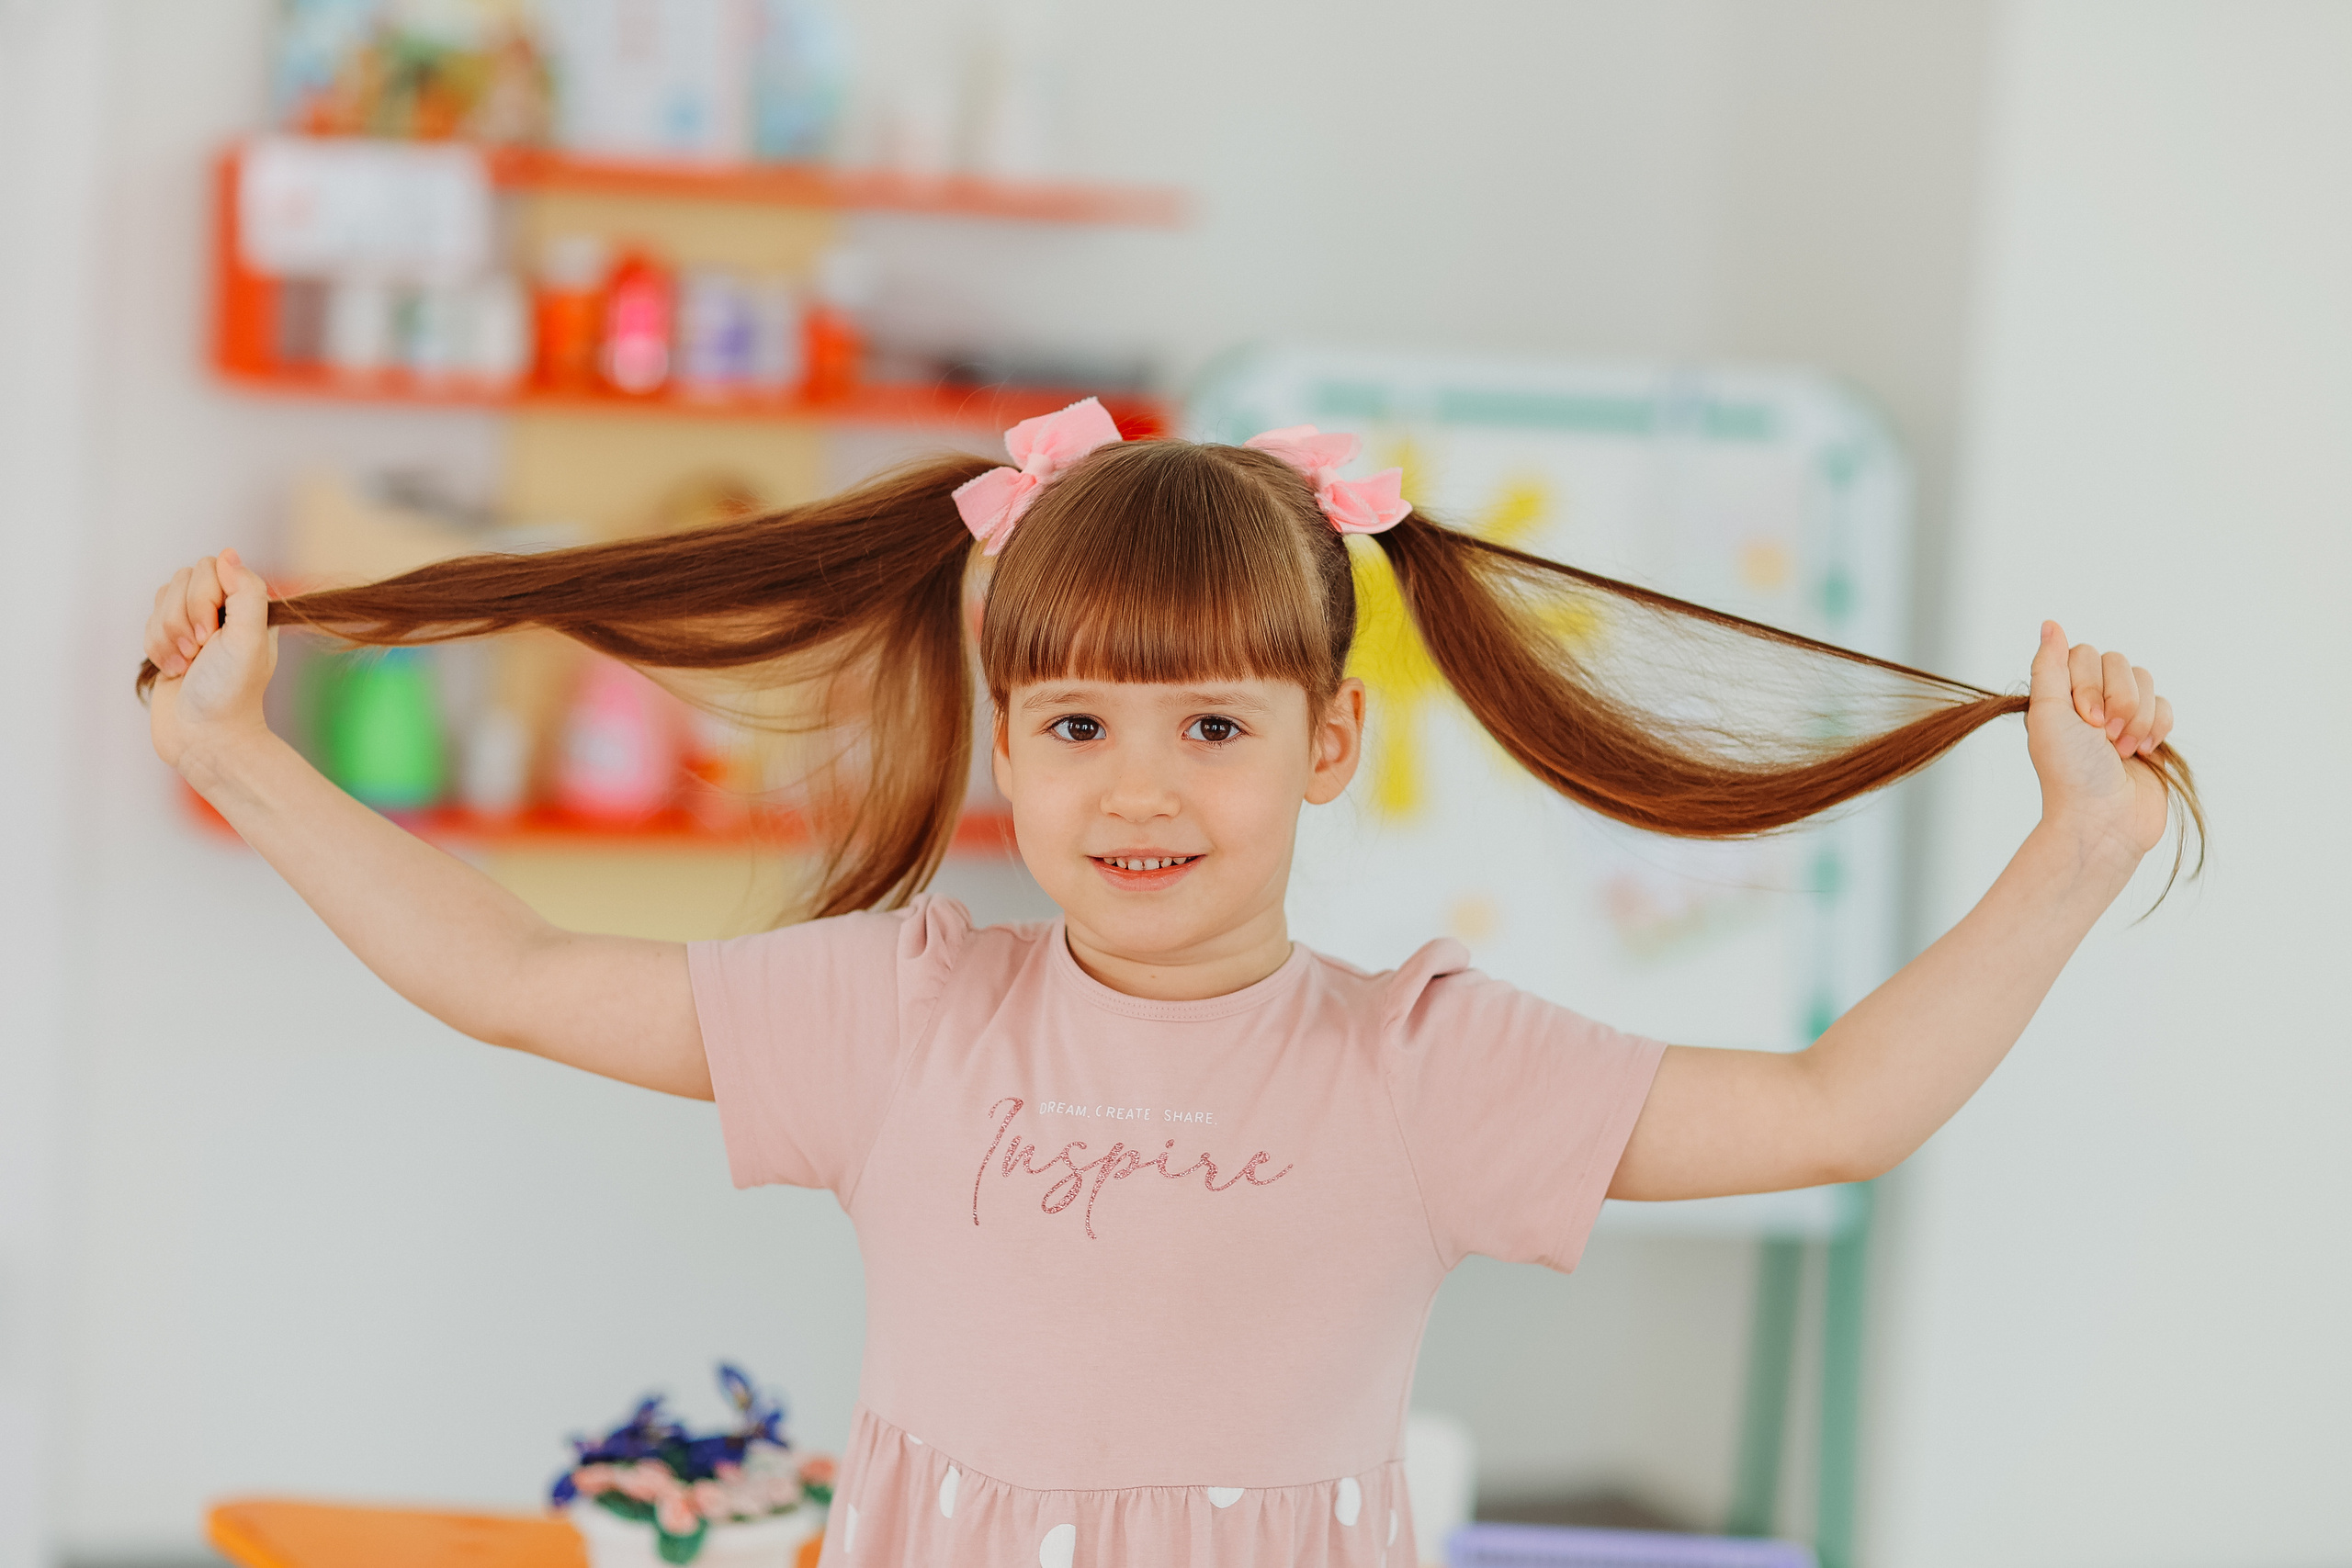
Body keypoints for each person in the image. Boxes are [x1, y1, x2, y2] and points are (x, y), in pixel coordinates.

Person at [139, 399, 2197, 1566]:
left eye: (1212, 727)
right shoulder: (898, 1015)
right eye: (1078, 727)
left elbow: (1835, 1107)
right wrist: (239, 755)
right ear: (1006, 743)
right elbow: (507, 971)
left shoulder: (1422, 1066)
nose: (1138, 789)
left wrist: (2078, 844)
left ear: (1326, 742)